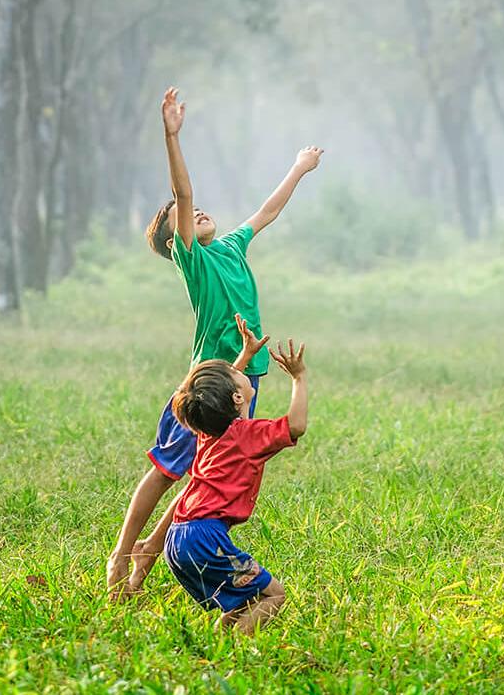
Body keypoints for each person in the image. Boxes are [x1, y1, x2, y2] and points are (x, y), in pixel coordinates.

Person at [105, 86, 322, 599]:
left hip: (247, 377)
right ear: (172, 241)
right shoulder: (194, 260)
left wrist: (298, 168)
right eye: (183, 216)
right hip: (208, 380)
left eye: (200, 210)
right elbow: (182, 194)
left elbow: (266, 212)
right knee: (165, 470)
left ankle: (143, 569)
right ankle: (122, 555)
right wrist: (171, 135)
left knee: (204, 478)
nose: (197, 211)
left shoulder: (229, 246)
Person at [161, 326, 308, 634]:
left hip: (177, 538)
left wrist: (246, 354)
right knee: (273, 594)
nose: (238, 372)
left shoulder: (209, 430)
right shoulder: (247, 436)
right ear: (238, 396)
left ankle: (219, 641)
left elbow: (220, 395)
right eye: (238, 375)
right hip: (205, 540)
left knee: (244, 598)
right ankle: (235, 651)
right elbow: (296, 425)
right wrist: (298, 377)